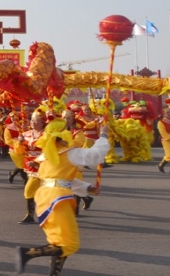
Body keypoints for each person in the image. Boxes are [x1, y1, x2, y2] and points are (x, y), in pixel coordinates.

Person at [16, 118, 110, 275]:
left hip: (45, 196)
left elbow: (59, 178)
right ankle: (27, 253)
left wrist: (86, 187)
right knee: (70, 244)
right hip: (57, 198)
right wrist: (104, 136)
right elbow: (95, 156)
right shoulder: (70, 153)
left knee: (58, 243)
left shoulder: (48, 154)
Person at [17, 111, 46, 224]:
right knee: (35, 191)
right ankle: (32, 214)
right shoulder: (26, 134)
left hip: (43, 166)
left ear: (43, 123)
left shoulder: (46, 135)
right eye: (32, 120)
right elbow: (19, 151)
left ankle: (34, 214)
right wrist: (19, 143)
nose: (33, 123)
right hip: (30, 167)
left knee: (31, 190)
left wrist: (37, 162)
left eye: (37, 121)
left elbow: (49, 152)